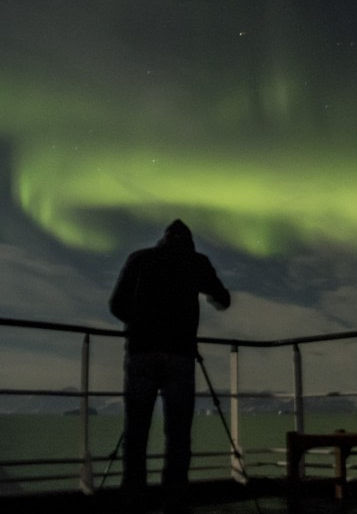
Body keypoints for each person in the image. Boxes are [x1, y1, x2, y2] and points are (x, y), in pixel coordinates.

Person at [109, 219, 231, 513]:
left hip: (141, 352)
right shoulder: (196, 262)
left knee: (136, 431)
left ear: (163, 238)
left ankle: (134, 497)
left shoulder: (139, 258)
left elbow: (116, 305)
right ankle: (174, 499)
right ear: (189, 242)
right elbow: (223, 299)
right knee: (178, 434)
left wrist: (138, 324)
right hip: (180, 356)